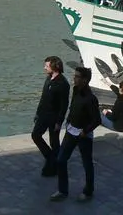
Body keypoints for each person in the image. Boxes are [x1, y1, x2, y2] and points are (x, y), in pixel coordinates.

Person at [51, 66, 100, 202]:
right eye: (75, 75)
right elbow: (73, 107)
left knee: (87, 163)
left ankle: (88, 191)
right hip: (71, 130)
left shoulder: (91, 99)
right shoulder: (75, 90)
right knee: (61, 160)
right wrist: (68, 122)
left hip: (83, 135)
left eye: (77, 76)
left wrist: (85, 132)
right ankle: (62, 190)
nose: (74, 78)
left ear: (85, 80)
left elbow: (97, 120)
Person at [31, 56, 69, 177]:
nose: (44, 68)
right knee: (35, 135)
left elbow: (64, 104)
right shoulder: (49, 79)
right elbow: (43, 98)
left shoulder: (63, 83)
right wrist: (37, 113)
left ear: (54, 67)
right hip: (43, 115)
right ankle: (51, 157)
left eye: (47, 66)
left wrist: (59, 121)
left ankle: (55, 165)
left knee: (54, 142)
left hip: (54, 117)